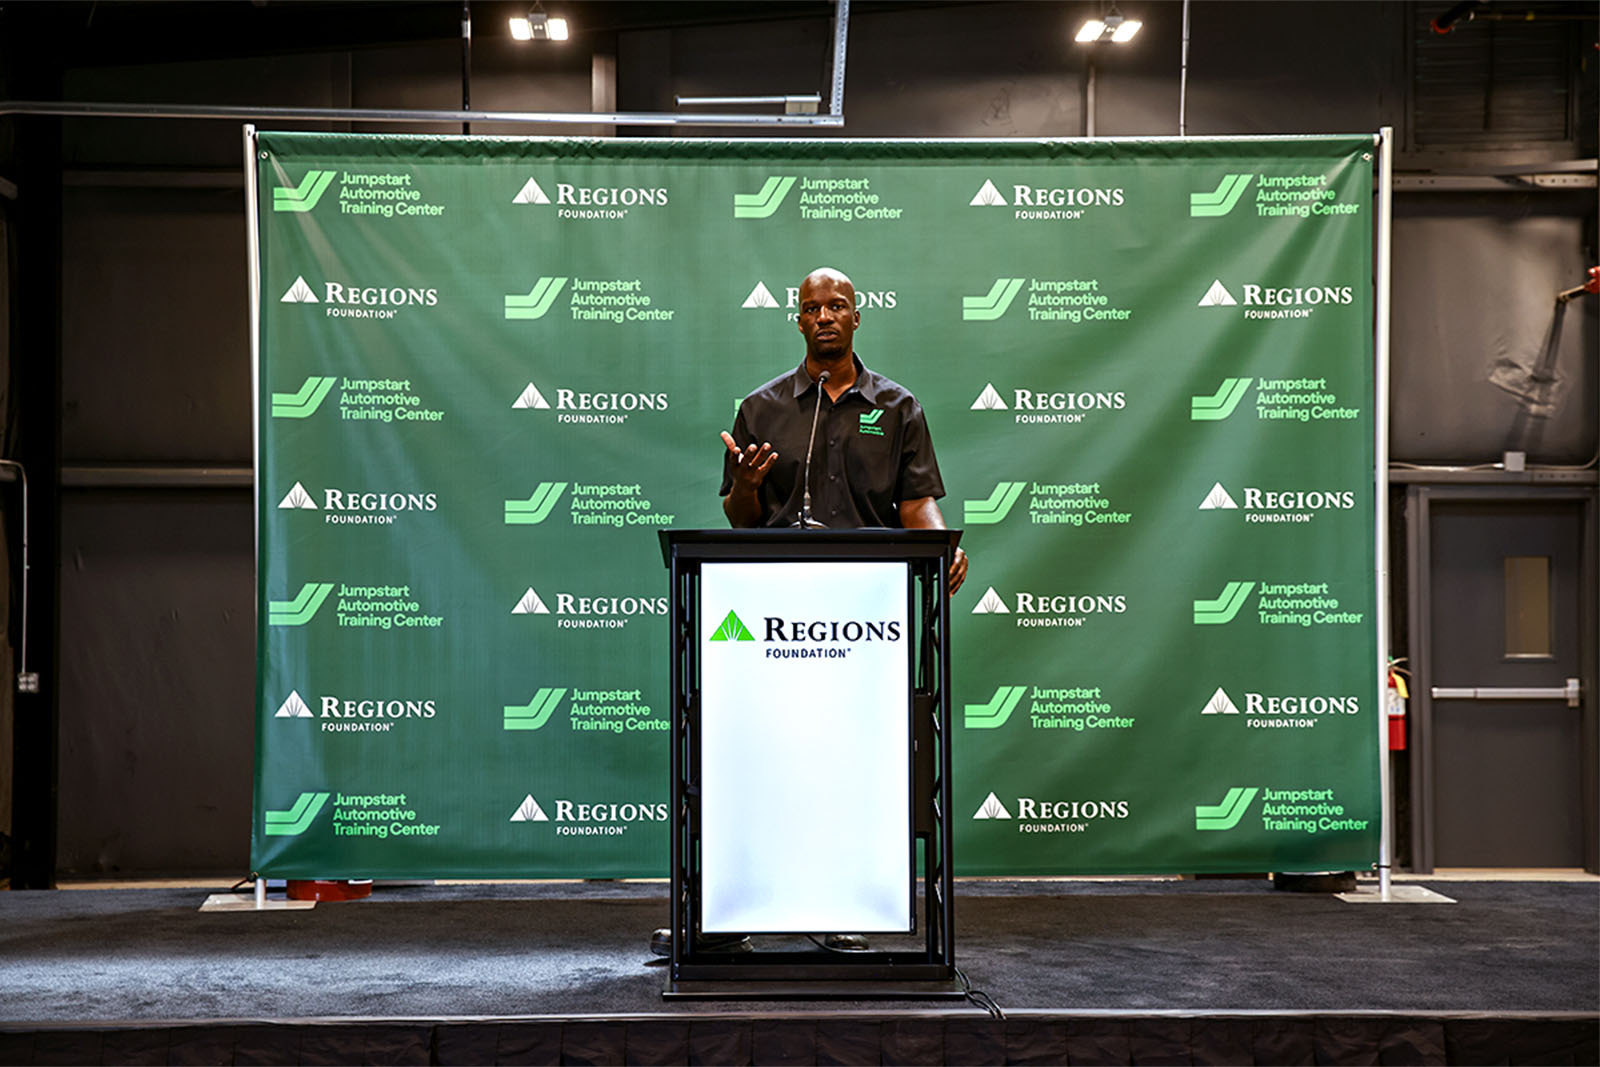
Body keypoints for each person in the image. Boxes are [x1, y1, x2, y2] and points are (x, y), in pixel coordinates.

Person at [651, 267, 967, 958]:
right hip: (770, 616)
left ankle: (841, 904)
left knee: (850, 764)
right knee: (758, 759)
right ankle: (728, 913)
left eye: (838, 306)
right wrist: (746, 486)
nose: (824, 316)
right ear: (796, 320)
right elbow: (739, 519)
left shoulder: (898, 405)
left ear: (858, 317)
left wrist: (941, 547)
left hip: (864, 617)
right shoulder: (761, 409)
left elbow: (917, 506)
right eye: (811, 307)